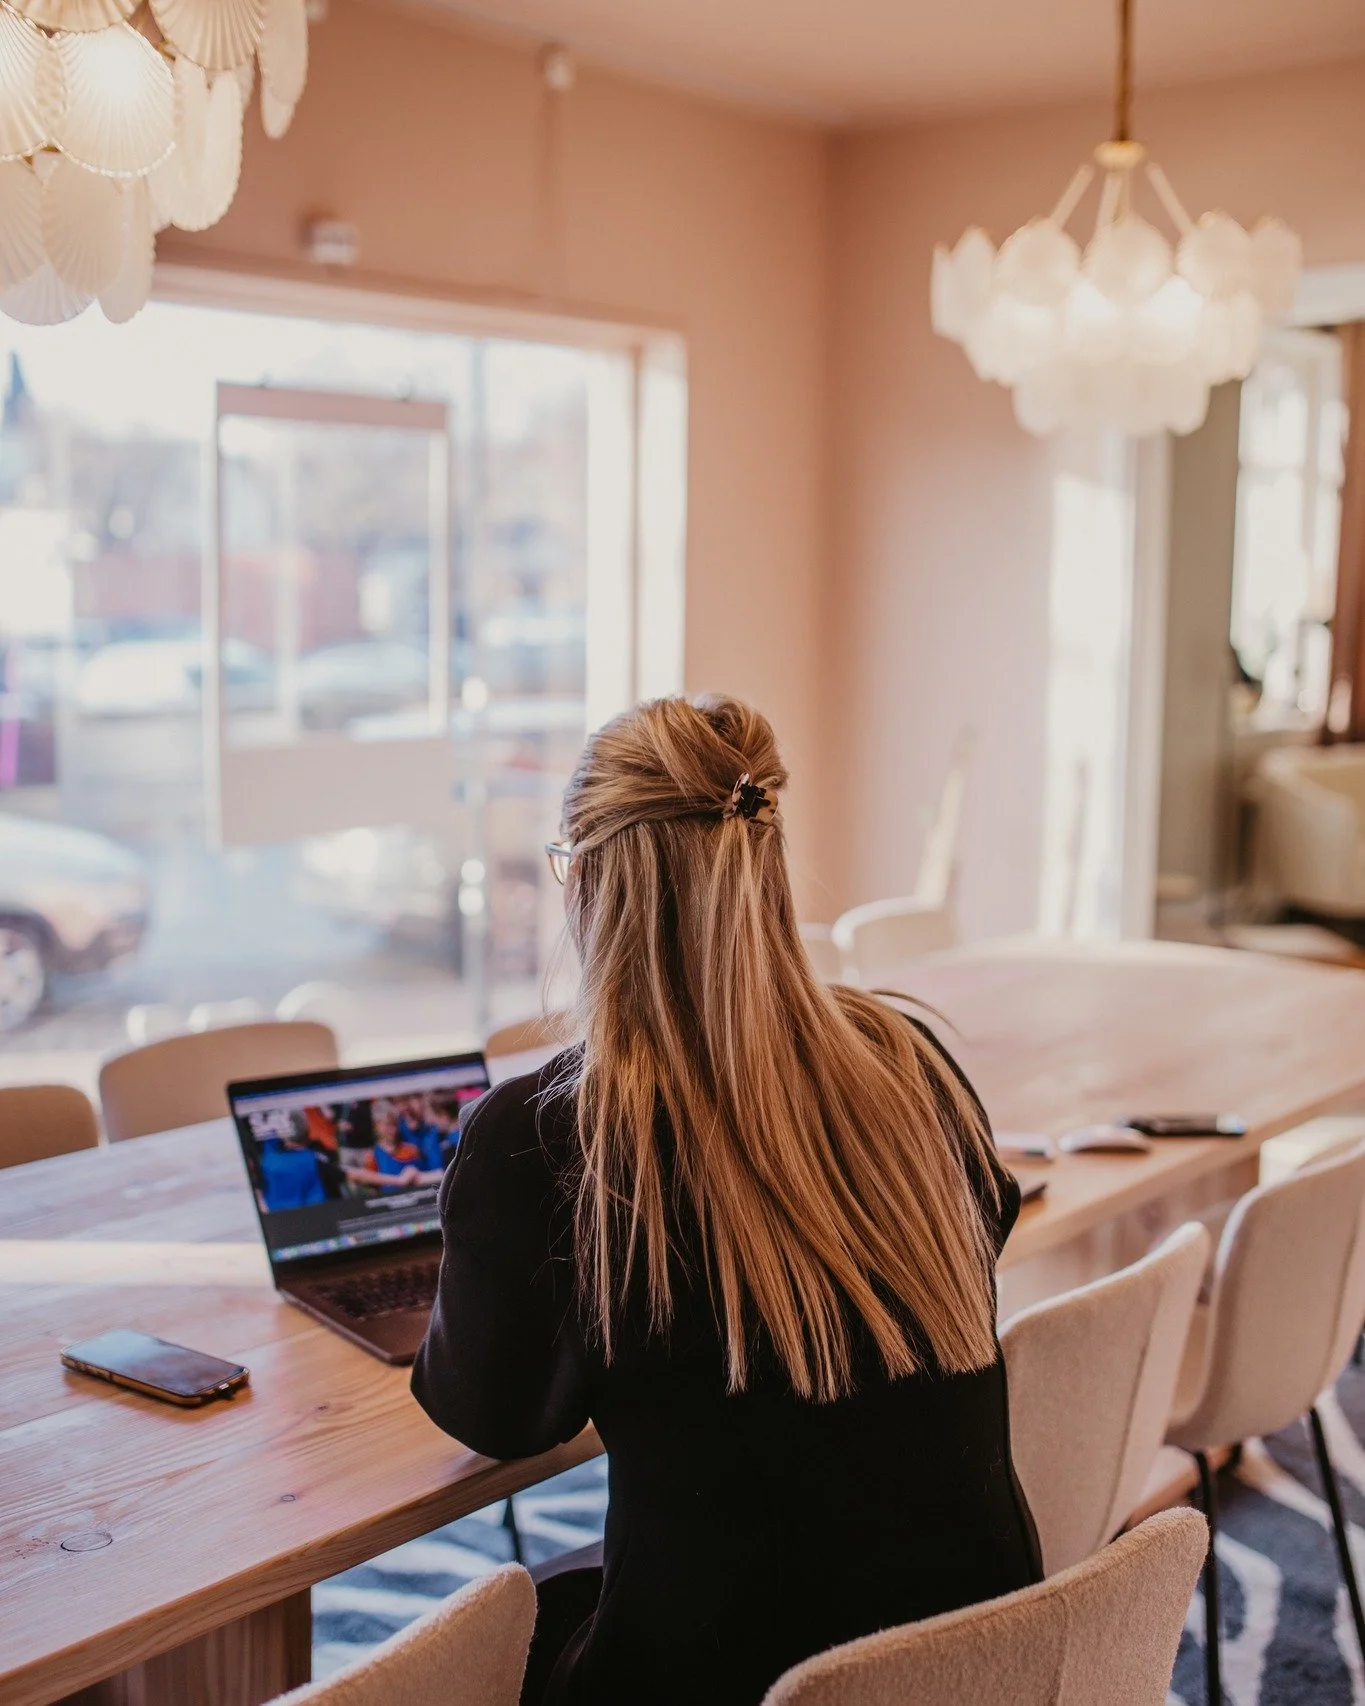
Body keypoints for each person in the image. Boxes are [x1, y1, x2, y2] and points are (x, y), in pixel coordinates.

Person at [412, 694, 1040, 1706]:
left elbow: (492, 1413)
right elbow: (989, 1226)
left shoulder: (548, 1137)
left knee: (493, 1645)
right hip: (977, 1661)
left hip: (740, 1681)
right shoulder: (907, 1056)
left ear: (586, 886)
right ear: (767, 854)